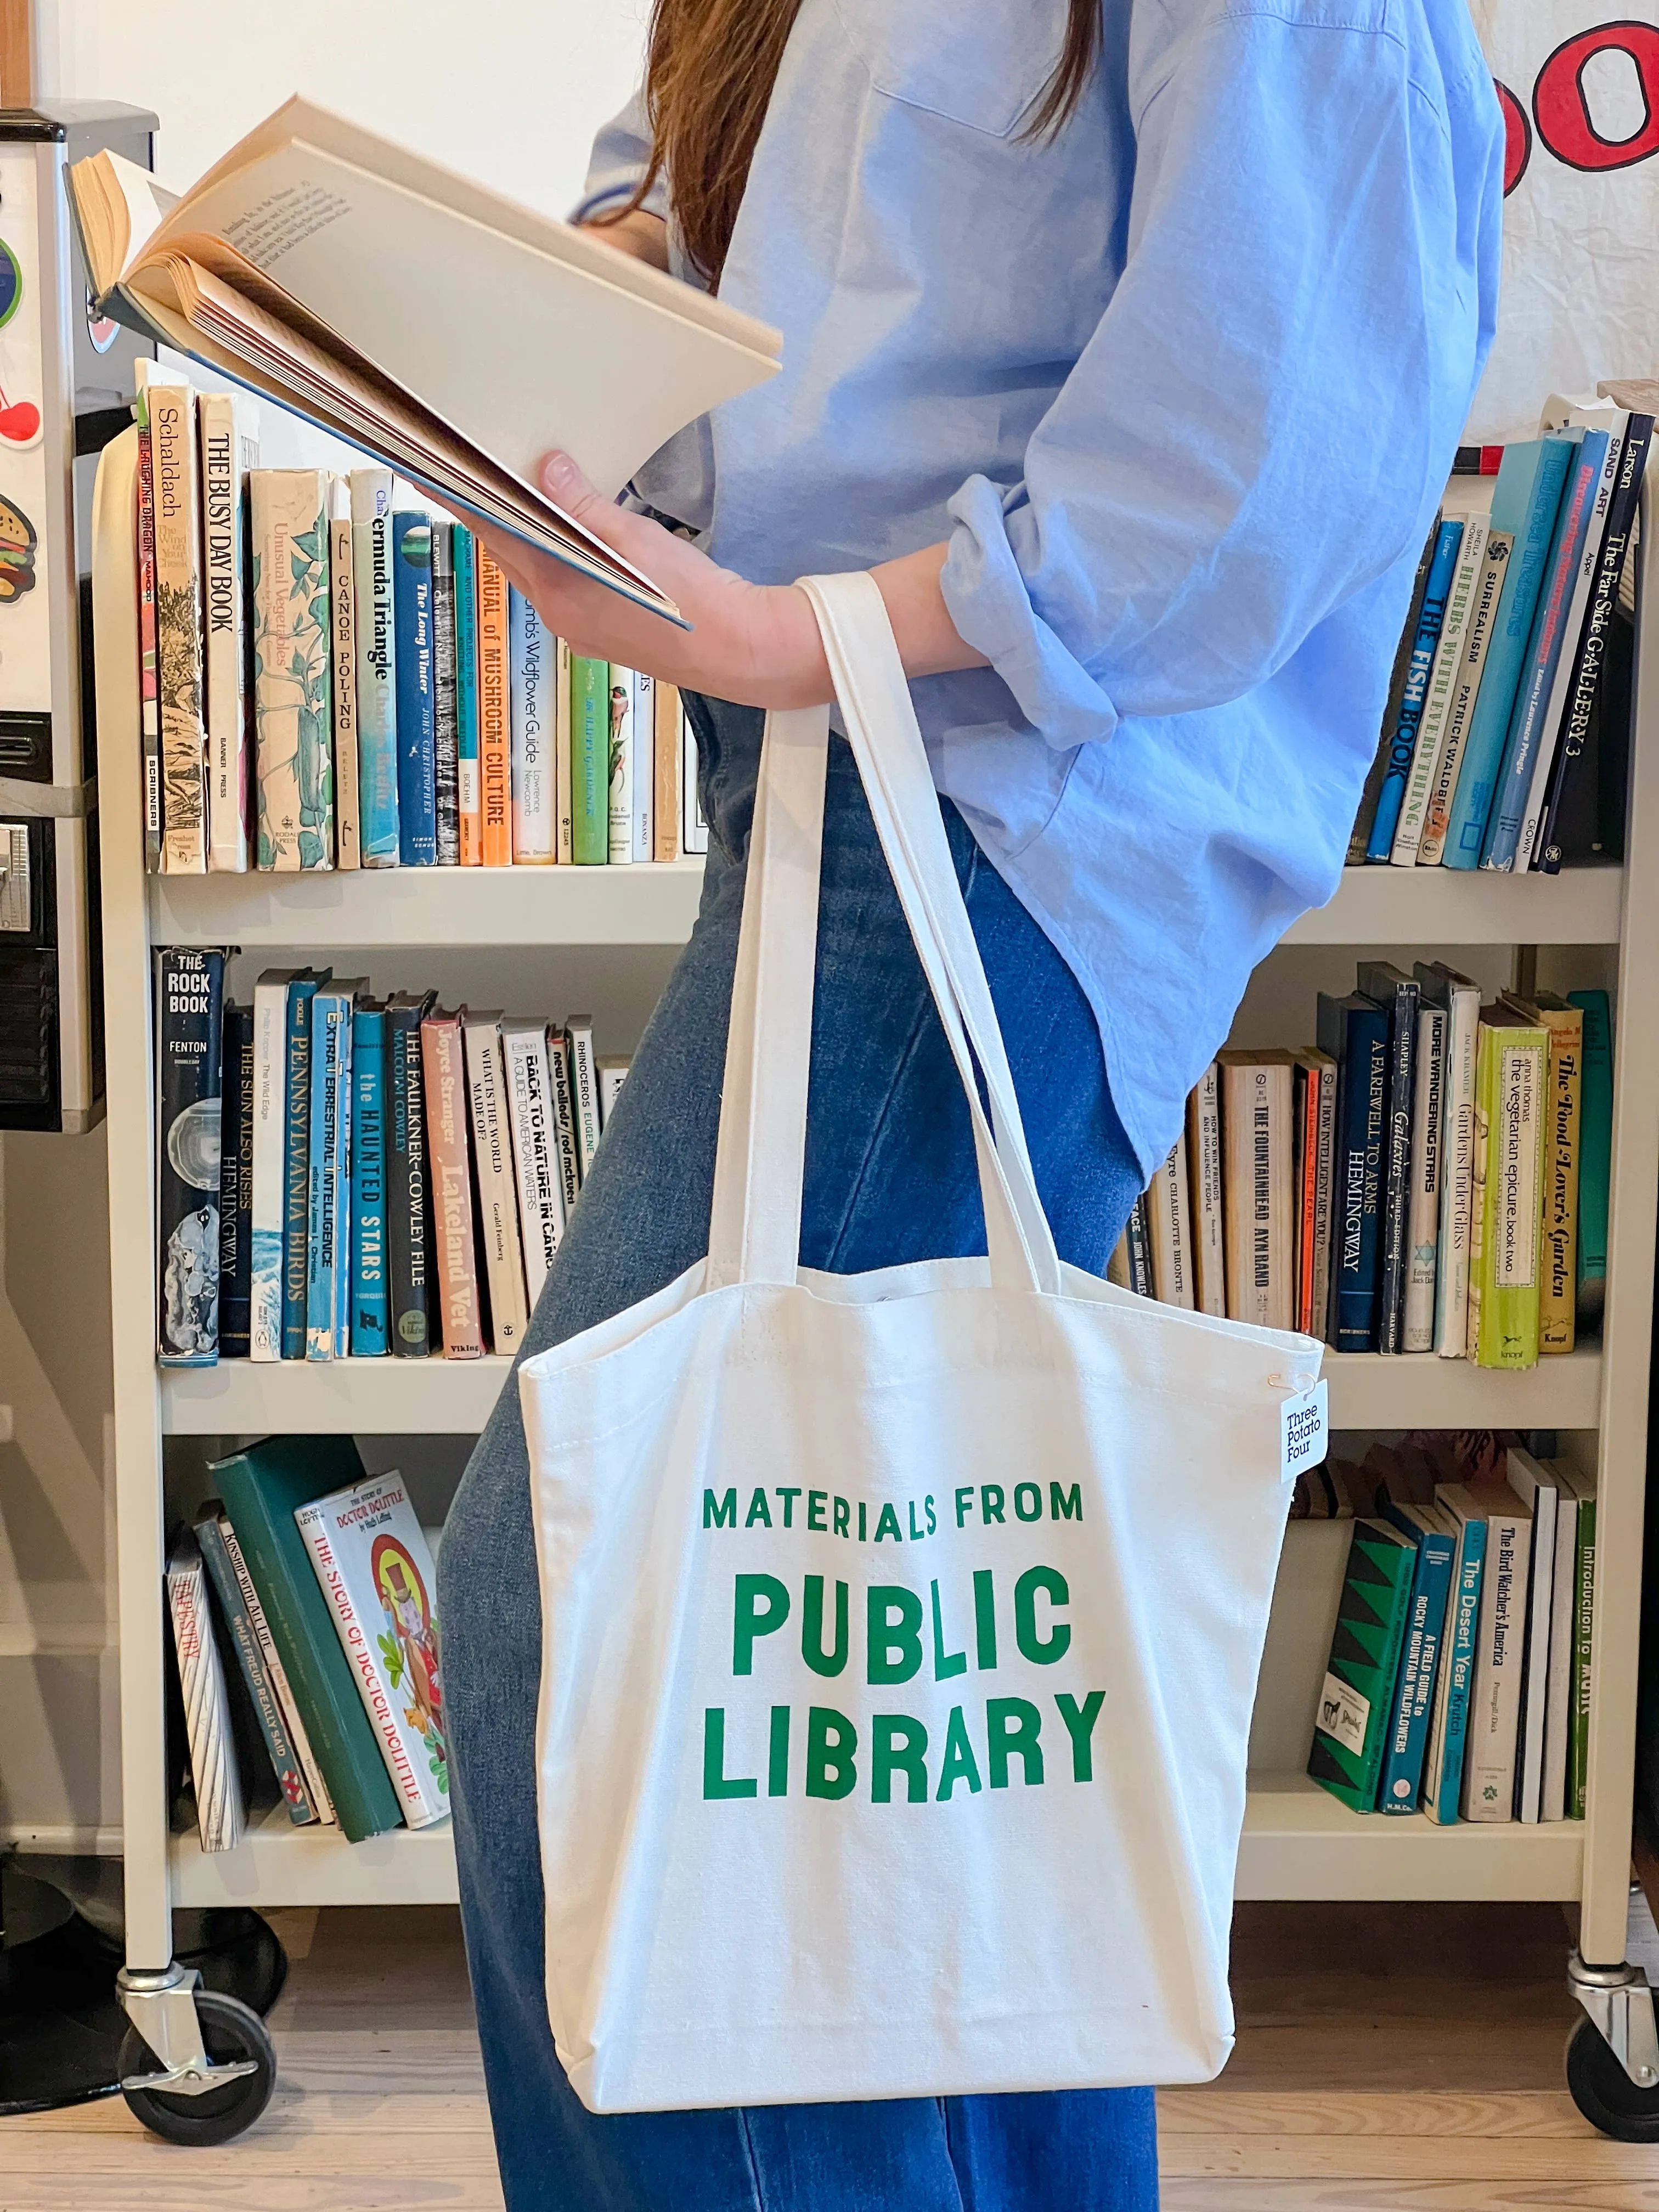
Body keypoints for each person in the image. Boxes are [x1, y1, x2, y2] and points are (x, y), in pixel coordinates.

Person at [437, 0, 1503, 2201]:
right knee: (907, 1710)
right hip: (849, 788)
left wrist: (772, 634)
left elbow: (1250, 469)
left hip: (996, 828)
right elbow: (686, 219)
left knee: (611, 1649)